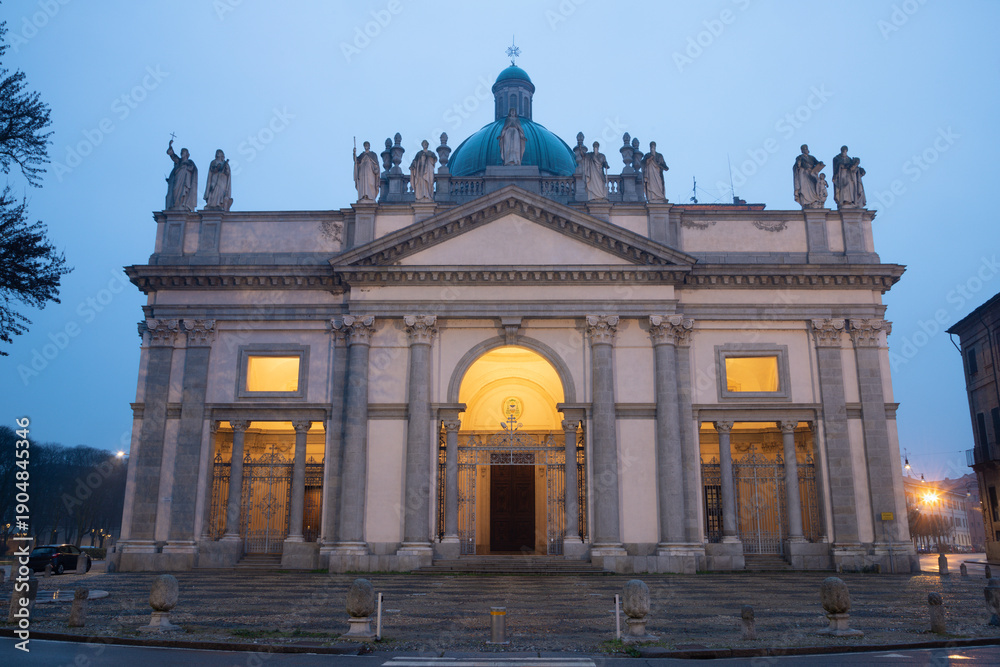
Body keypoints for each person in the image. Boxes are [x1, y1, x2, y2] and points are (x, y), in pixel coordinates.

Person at [165, 140, 198, 211]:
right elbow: (172, 156)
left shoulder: (190, 162)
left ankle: (183, 204)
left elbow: (192, 169)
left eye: (183, 152)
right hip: (178, 178)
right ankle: (175, 205)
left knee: (184, 191)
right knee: (175, 190)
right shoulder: (179, 161)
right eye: (181, 152)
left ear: (187, 154)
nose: (182, 153)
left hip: (186, 180)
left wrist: (186, 167)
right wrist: (170, 146)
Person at [793, 144, 824, 208]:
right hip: (804, 174)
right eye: (804, 149)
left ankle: (814, 201)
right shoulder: (800, 157)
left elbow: (817, 162)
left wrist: (820, 163)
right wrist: (798, 164)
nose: (806, 150)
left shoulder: (812, 157)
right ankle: (806, 202)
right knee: (804, 188)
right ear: (802, 151)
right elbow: (796, 166)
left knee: (814, 186)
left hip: (811, 173)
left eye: (806, 149)